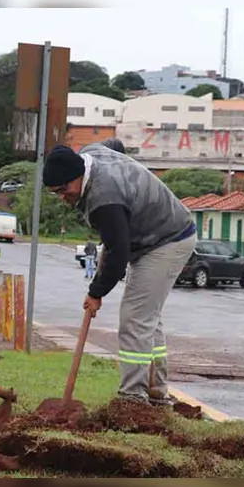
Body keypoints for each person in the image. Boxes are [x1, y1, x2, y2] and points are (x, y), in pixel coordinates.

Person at [42, 144, 196, 407]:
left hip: (168, 240)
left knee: (135, 319)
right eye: (55, 192)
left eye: (63, 190)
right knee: (147, 317)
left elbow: (117, 254)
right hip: (149, 238)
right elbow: (114, 145)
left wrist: (96, 292)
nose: (62, 197)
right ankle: (156, 390)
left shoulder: (105, 199)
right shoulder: (90, 153)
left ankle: (132, 398)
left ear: (77, 176)